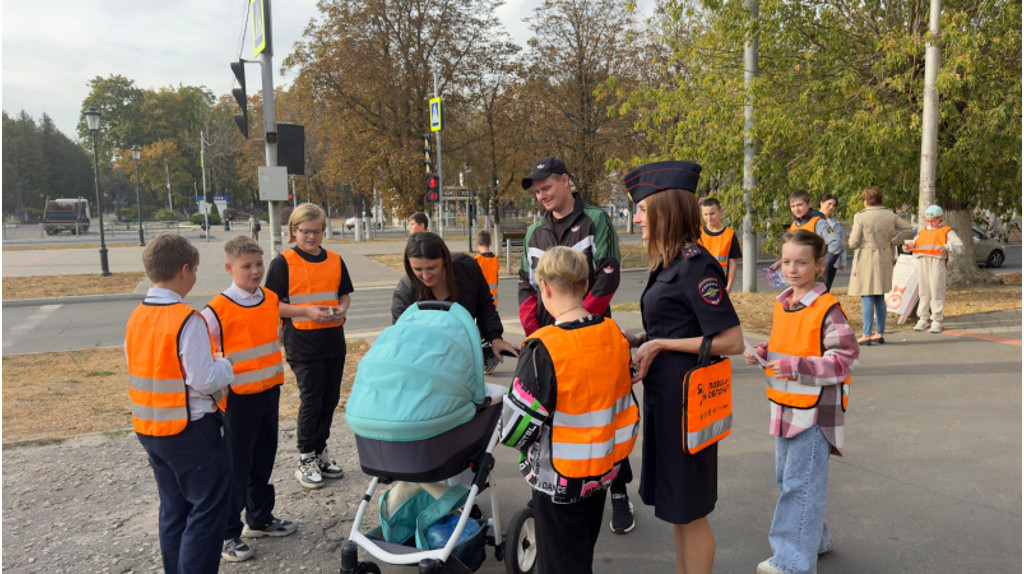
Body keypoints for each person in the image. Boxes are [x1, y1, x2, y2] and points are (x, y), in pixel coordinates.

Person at [622, 161, 744, 574]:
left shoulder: (697, 265)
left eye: (641, 208)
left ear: (664, 209)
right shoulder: (669, 263)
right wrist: (641, 339)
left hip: (688, 402)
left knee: (690, 511)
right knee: (677, 508)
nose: (636, 218)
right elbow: (675, 324)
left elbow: (732, 341)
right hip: (665, 396)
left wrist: (661, 343)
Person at [500, 246, 639, 574]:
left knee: (559, 563)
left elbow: (516, 430)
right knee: (580, 554)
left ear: (544, 288)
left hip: (558, 479)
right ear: (586, 284)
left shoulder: (542, 347)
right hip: (603, 469)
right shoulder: (613, 335)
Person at [518, 156, 636, 534]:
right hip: (551, 343)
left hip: (593, 334)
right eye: (537, 192)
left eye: (547, 187)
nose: (542, 196)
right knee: (559, 419)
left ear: (566, 181)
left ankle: (617, 489)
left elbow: (609, 275)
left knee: (605, 417)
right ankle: (554, 480)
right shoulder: (534, 231)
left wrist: (579, 322)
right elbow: (525, 283)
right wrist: (537, 331)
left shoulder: (595, 220)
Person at [743, 230, 860, 574]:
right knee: (793, 480)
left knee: (799, 483)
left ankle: (793, 560)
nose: (791, 269)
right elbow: (787, 343)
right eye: (786, 262)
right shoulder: (783, 302)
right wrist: (763, 353)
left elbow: (845, 359)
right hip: (785, 405)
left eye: (801, 263)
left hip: (815, 411)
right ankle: (815, 539)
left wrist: (796, 367)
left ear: (819, 264)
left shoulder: (828, 309)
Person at [125, 232, 234, 574]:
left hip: (151, 428)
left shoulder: (136, 316)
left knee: (174, 510)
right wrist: (225, 366)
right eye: (197, 270)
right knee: (207, 510)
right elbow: (204, 379)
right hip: (191, 430)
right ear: (184, 270)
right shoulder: (187, 319)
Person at [201, 237, 298, 563]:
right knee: (236, 469)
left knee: (263, 461)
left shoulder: (269, 298)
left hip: (269, 392)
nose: (255, 271)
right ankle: (228, 533)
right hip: (238, 401)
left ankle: (260, 518)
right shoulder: (216, 309)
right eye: (247, 266)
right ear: (230, 268)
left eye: (258, 264)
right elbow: (202, 351)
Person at [265, 203, 353, 489]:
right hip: (302, 343)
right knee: (311, 400)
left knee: (330, 399)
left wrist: (341, 309)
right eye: (305, 232)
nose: (312, 237)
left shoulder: (336, 260)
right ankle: (305, 458)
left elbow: (344, 295)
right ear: (294, 230)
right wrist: (306, 312)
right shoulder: (283, 262)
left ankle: (320, 451)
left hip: (332, 341)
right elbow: (273, 306)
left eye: (317, 232)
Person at [392, 232, 518, 375]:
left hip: (463, 357)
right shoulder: (405, 293)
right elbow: (401, 338)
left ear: (445, 259)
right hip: (425, 364)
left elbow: (484, 305)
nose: (426, 276)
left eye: (432, 268)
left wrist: (495, 337)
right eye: (418, 269)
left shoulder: (467, 269)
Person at [847, 186, 914, 345]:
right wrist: (893, 242)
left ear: (866, 200)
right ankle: (879, 333)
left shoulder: (860, 216)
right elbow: (907, 228)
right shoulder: (890, 214)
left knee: (867, 295)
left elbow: (853, 242)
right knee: (879, 295)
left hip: (866, 256)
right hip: (884, 254)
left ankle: (866, 334)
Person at [905, 205, 963, 333]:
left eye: (933, 220)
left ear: (940, 218)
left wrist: (947, 246)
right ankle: (923, 318)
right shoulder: (923, 231)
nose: (930, 223)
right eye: (928, 220)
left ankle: (937, 320)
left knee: (937, 290)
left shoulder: (947, 231)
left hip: (937, 261)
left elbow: (959, 246)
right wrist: (909, 245)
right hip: (922, 260)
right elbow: (915, 243)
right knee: (924, 290)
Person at [770, 190, 842, 274]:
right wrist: (782, 261)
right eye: (793, 206)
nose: (796, 209)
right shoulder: (795, 224)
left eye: (799, 205)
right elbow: (793, 249)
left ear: (809, 204)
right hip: (801, 271)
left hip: (815, 273)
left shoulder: (818, 222)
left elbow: (836, 243)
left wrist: (822, 266)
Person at [698, 197, 741, 293]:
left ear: (720, 212)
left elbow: (733, 263)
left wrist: (729, 287)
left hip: (721, 282)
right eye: (705, 214)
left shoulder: (730, 235)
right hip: (700, 281)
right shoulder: (697, 233)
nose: (709, 217)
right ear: (702, 214)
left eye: (712, 213)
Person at [818, 194, 846, 291]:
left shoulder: (836, 223)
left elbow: (841, 242)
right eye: (829, 204)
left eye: (834, 205)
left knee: (826, 290)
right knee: (815, 290)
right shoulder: (813, 220)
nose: (831, 207)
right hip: (817, 260)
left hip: (832, 261)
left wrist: (842, 261)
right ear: (821, 203)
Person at [474, 229, 499, 307]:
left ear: (477, 244)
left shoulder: (477, 259)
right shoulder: (495, 259)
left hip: (479, 298)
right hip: (493, 299)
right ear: (490, 243)